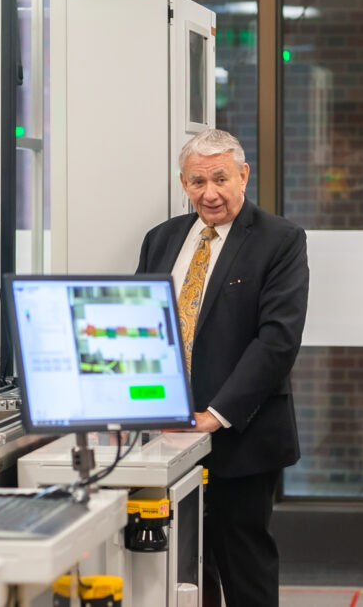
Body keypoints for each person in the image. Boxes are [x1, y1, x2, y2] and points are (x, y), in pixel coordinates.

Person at [136, 129, 309, 607]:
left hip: (240, 435)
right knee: (181, 568)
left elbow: (277, 341)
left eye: (220, 179)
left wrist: (216, 414)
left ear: (243, 175)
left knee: (242, 564)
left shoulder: (281, 240)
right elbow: (139, 324)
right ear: (182, 183)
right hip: (165, 433)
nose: (209, 193)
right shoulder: (162, 239)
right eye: (196, 181)